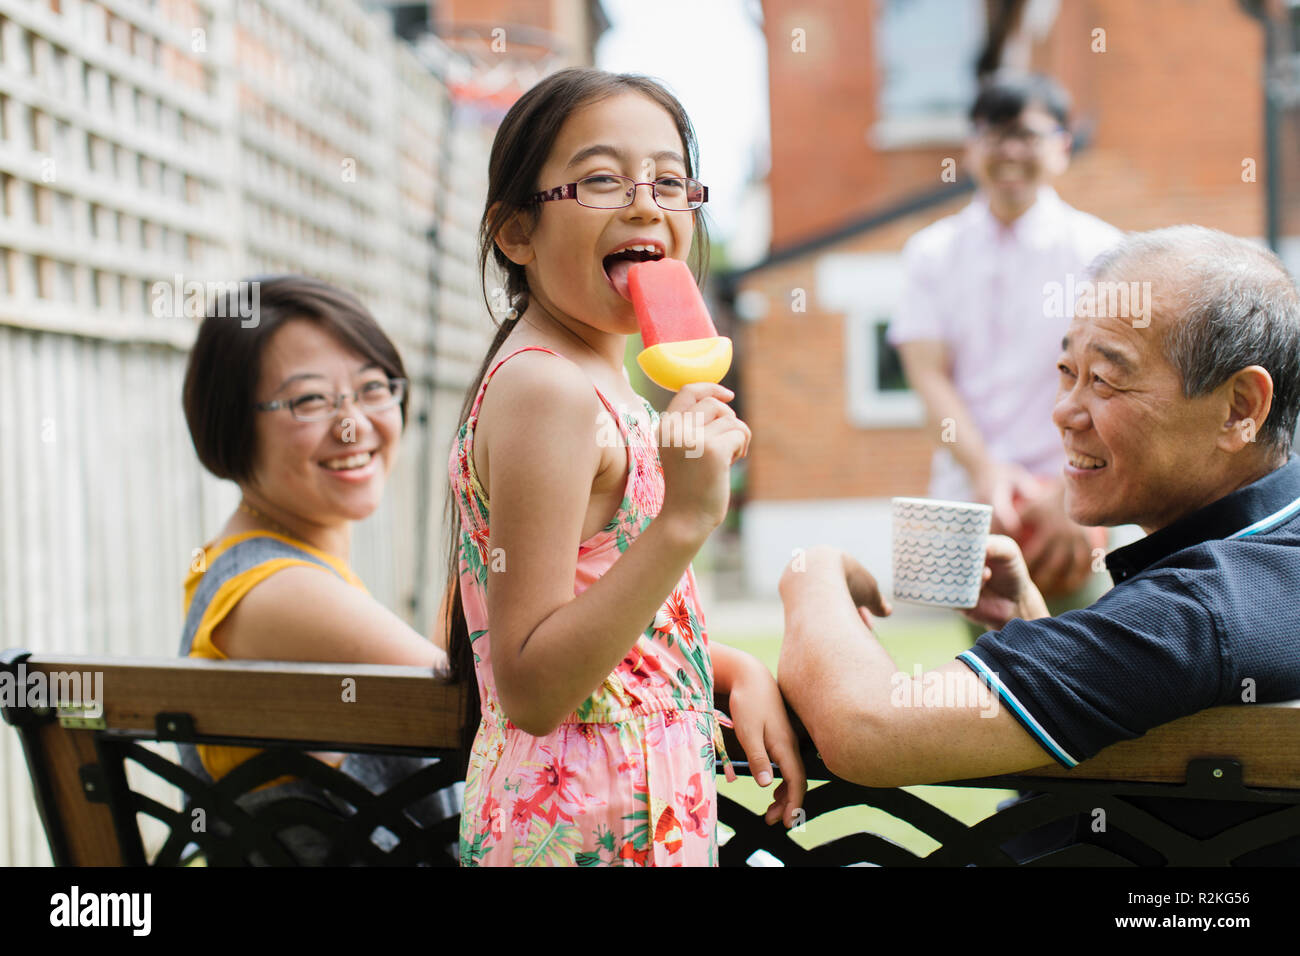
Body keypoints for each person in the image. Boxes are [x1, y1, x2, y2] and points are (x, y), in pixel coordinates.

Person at [780, 226, 1300, 861]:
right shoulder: (1263, 565)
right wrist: (1040, 639)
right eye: (1066, 371)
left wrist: (811, 574)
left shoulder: (1199, 608)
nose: (1063, 411)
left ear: (1239, 407)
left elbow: (867, 730)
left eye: (1106, 380)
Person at [443, 67, 805, 867]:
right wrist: (684, 520)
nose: (646, 202)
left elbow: (603, 617)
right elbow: (535, 686)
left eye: (670, 181)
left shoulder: (603, 383)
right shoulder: (546, 389)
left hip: (626, 810)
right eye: (600, 180)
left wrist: (725, 665)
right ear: (516, 233)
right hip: (580, 825)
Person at [180, 275, 452, 864]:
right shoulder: (280, 592)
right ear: (232, 421)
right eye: (308, 400)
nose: (353, 424)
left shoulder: (252, 572)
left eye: (372, 388)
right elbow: (504, 698)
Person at [889, 72, 1121, 614]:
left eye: (1030, 135)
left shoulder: (1104, 252)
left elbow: (1119, 383)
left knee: (1076, 663)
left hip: (1071, 499)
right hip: (965, 495)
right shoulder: (931, 252)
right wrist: (985, 471)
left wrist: (1073, 489)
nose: (1012, 150)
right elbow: (926, 373)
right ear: (971, 147)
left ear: (1062, 147)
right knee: (983, 680)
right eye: (995, 133)